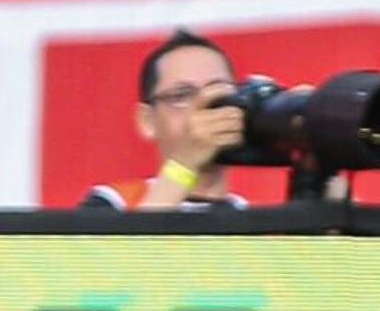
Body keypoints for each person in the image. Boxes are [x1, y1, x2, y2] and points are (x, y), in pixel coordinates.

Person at [83, 30, 256, 209]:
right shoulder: (114, 202)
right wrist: (185, 164)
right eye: (182, 95)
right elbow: (139, 237)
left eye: (219, 92)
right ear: (147, 121)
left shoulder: (257, 222)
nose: (205, 106)